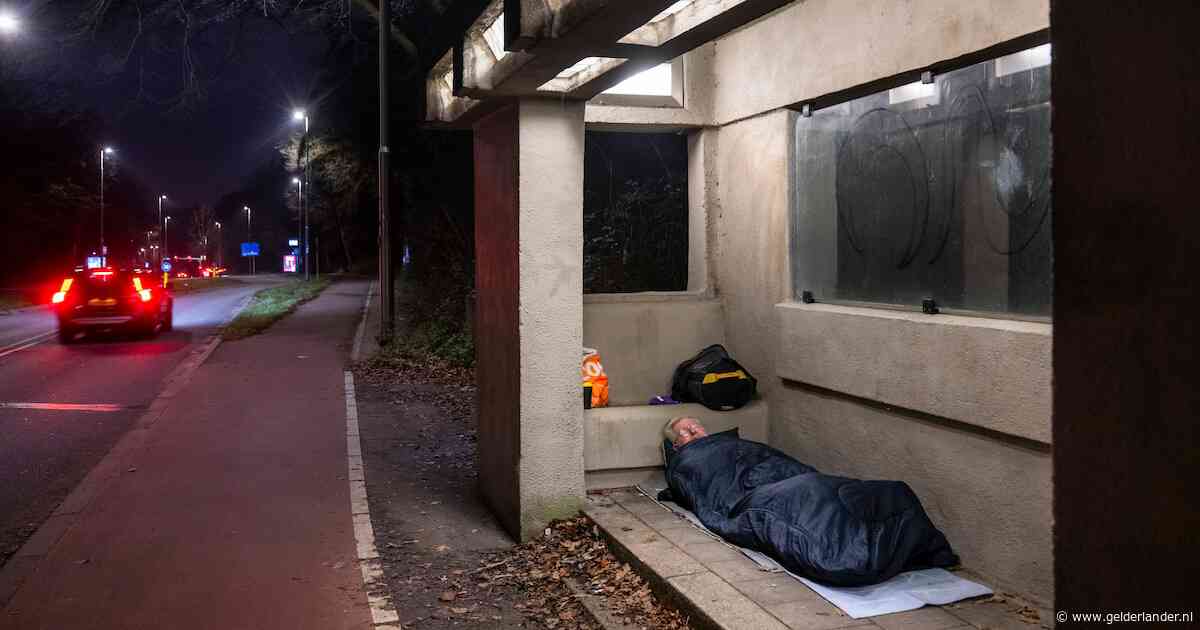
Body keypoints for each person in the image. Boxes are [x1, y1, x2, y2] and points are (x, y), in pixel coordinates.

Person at [660, 416, 959, 586]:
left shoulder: (732, 443)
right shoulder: (687, 463)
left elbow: (768, 458)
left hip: (781, 474)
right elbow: (700, 491)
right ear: (677, 445)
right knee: (807, 495)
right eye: (685, 431)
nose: (694, 430)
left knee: (889, 492)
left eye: (695, 425)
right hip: (764, 492)